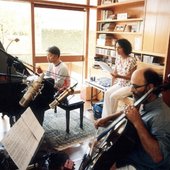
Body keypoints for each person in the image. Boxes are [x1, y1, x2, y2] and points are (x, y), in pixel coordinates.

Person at [95, 68, 170, 170]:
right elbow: (129, 110)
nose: (131, 90)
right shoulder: (145, 101)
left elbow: (157, 157)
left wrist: (137, 122)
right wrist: (108, 118)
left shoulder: (161, 116)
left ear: (150, 88)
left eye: (135, 86)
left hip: (143, 165)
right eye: (131, 85)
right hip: (131, 154)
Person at [102, 38, 137, 118]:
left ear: (125, 48)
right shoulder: (118, 59)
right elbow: (114, 73)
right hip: (120, 83)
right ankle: (105, 118)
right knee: (107, 93)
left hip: (129, 86)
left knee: (113, 96)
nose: (117, 50)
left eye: (119, 47)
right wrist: (112, 85)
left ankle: (111, 118)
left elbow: (131, 77)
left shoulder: (132, 60)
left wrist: (118, 76)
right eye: (116, 47)